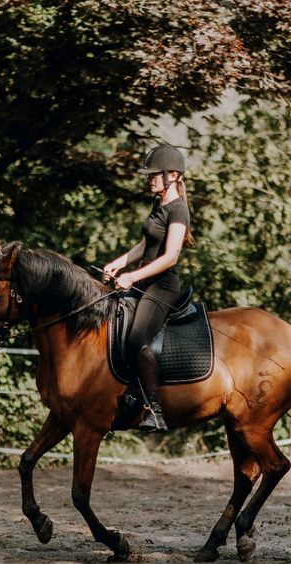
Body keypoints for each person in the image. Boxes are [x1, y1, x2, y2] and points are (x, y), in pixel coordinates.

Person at [103, 143, 193, 432]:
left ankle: (154, 411)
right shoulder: (159, 204)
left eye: (155, 174)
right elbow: (145, 244)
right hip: (144, 281)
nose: (149, 178)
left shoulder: (178, 210)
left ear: (174, 175)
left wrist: (133, 277)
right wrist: (118, 264)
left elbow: (170, 256)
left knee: (136, 338)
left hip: (163, 286)